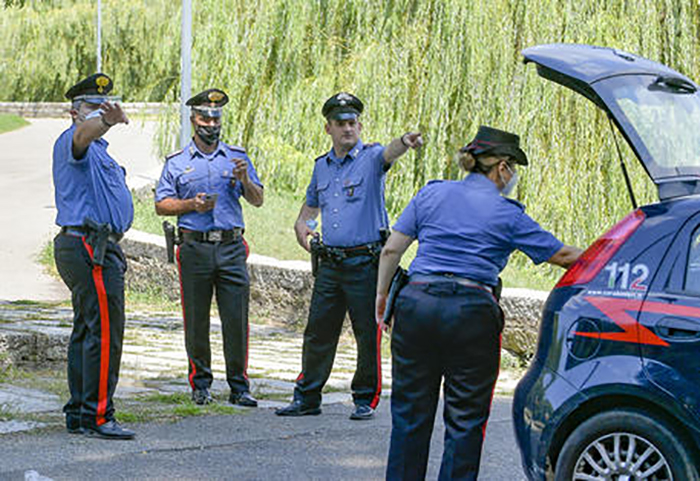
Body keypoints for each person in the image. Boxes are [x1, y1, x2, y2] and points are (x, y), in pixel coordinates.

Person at [375, 126, 582, 480]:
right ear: (501, 167)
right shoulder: (508, 214)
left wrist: (381, 298)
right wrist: (615, 254)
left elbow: (392, 248)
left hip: (417, 305)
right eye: (513, 168)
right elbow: (563, 255)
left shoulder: (431, 194)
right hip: (471, 314)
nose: (513, 176)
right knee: (466, 419)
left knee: (410, 414)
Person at [275, 92, 423, 420]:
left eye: (352, 122)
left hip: (364, 262)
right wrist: (305, 232)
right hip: (330, 263)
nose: (347, 128)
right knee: (317, 331)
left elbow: (390, 153)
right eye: (340, 123)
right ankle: (308, 397)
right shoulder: (321, 167)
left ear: (360, 125)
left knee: (366, 332)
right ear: (328, 128)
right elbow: (309, 213)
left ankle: (364, 398)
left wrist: (404, 141)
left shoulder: (370, 159)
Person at [155, 88, 264, 407]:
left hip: (230, 248)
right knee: (196, 318)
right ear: (193, 121)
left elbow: (257, 200)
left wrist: (245, 180)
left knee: (236, 318)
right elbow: (162, 204)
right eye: (205, 117)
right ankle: (200, 383)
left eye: (216, 118)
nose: (211, 124)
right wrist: (191, 204)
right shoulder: (177, 163)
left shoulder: (237, 157)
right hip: (195, 248)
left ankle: (239, 386)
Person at [52, 73, 135, 440]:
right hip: (87, 247)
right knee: (104, 332)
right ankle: (99, 414)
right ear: (74, 112)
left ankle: (81, 412)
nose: (100, 110)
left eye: (106, 104)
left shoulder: (101, 152)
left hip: (98, 247)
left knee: (88, 330)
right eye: (92, 106)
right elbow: (85, 135)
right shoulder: (74, 140)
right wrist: (105, 120)